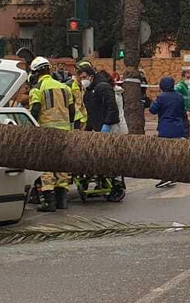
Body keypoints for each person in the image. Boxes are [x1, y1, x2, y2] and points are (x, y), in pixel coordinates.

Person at [26, 57, 74, 210]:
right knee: (62, 164)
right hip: (65, 132)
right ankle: (62, 201)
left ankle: (49, 201)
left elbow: (34, 111)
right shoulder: (65, 88)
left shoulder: (37, 88)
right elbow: (72, 111)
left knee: (46, 165)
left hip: (46, 132)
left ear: (36, 72)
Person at [78, 62, 125, 202]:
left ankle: (116, 184)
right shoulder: (89, 91)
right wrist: (87, 130)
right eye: (80, 78)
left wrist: (106, 126)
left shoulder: (103, 87)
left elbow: (112, 110)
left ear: (91, 76)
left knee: (111, 157)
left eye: (84, 77)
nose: (82, 80)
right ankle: (103, 182)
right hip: (99, 128)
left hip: (110, 128)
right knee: (102, 158)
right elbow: (92, 114)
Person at [147, 74, 188, 187]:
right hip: (178, 127)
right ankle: (174, 175)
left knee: (164, 154)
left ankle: (166, 177)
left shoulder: (161, 97)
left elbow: (152, 110)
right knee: (174, 153)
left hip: (165, 128)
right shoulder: (179, 96)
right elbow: (182, 110)